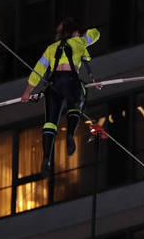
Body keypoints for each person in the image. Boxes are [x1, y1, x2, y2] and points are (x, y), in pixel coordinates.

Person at [21, 17, 101, 175]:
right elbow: (96, 34)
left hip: (54, 85)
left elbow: (38, 69)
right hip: (71, 81)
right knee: (78, 100)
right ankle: (70, 134)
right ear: (74, 32)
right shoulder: (79, 42)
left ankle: (47, 158)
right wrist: (80, 35)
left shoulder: (51, 48)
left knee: (50, 121)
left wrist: (27, 92)